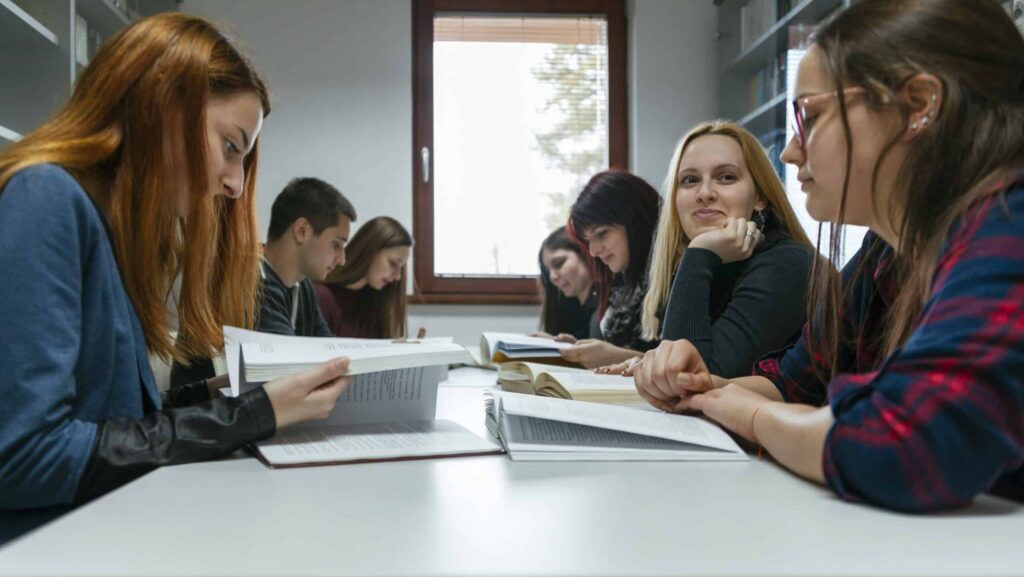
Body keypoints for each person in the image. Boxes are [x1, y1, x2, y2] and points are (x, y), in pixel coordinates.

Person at [633, 0, 1024, 512]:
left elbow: (902, 447)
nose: (791, 151)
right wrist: (696, 387)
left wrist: (749, 416)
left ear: (919, 105)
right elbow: (794, 381)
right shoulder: (885, 251)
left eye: (810, 115)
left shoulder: (1009, 227)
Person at [0, 13, 352, 543]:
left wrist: (215, 396)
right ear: (162, 105)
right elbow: (25, 456)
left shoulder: (104, 228)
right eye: (231, 147)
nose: (235, 185)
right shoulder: (46, 198)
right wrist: (250, 415)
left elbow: (111, 422)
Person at [618, 121, 815, 378]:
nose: (705, 193)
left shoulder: (788, 264)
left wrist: (699, 252)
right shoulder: (711, 265)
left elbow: (687, 378)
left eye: (726, 177)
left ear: (759, 197)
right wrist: (645, 364)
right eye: (690, 180)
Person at [561, 170, 661, 368]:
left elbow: (691, 368)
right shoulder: (624, 280)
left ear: (635, 219)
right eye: (588, 240)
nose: (593, 251)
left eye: (602, 234)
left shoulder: (677, 274)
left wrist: (616, 357)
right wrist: (580, 350)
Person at [259, 176, 356, 336]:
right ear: (301, 231)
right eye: (336, 245)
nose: (342, 260)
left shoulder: (304, 286)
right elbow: (287, 359)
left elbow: (329, 349)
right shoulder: (253, 285)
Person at [316, 216, 418, 339]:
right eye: (393, 263)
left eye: (401, 267)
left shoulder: (378, 300)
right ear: (369, 251)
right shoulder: (322, 297)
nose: (397, 276)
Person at [535, 226, 597, 341]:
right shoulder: (567, 313)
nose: (552, 277)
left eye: (559, 263)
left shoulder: (612, 308)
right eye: (548, 271)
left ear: (586, 253)